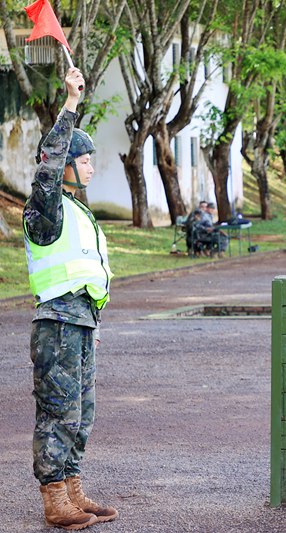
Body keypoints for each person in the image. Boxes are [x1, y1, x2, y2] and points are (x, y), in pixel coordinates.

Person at [22, 67, 118, 529]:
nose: (91, 166)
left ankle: (74, 488)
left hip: (80, 322)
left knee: (82, 411)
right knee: (57, 410)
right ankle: (53, 497)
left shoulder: (80, 211)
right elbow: (48, 160)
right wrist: (70, 103)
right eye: (84, 159)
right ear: (63, 164)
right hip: (56, 321)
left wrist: (93, 322)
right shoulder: (46, 207)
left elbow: (90, 272)